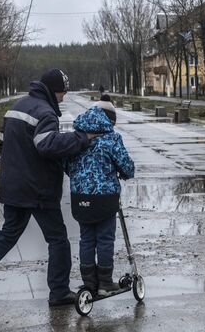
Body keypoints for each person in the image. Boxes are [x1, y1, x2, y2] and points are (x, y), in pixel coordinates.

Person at [0, 69, 95, 307]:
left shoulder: (17, 106)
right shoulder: (46, 113)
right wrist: (81, 139)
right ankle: (59, 292)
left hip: (14, 185)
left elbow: (2, 142)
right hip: (37, 189)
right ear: (54, 90)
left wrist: (17, 168)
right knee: (58, 239)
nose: (63, 97)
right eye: (62, 92)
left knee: (8, 233)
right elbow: (46, 145)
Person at [65, 95, 135, 297]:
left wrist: (80, 178)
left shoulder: (76, 136)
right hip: (104, 198)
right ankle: (105, 282)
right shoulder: (111, 138)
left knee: (86, 239)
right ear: (109, 120)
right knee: (104, 239)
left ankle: (89, 283)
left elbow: (66, 163)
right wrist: (123, 173)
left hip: (80, 198)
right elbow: (127, 167)